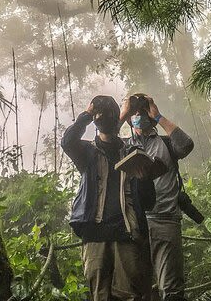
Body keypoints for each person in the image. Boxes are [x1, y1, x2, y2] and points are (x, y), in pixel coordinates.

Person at [61, 95, 155, 301]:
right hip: (94, 234)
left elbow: (148, 202)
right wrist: (86, 114)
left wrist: (144, 179)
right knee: (99, 295)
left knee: (132, 295)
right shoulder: (86, 152)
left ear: (116, 119)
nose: (105, 118)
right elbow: (67, 141)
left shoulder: (132, 152)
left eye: (109, 114)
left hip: (127, 232)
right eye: (101, 115)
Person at [120, 94, 194, 301]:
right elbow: (103, 145)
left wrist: (158, 115)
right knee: (136, 292)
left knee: (171, 290)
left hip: (165, 219)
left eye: (142, 111)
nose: (138, 115)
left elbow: (186, 145)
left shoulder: (166, 143)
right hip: (134, 224)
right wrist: (123, 113)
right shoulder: (122, 146)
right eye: (133, 112)